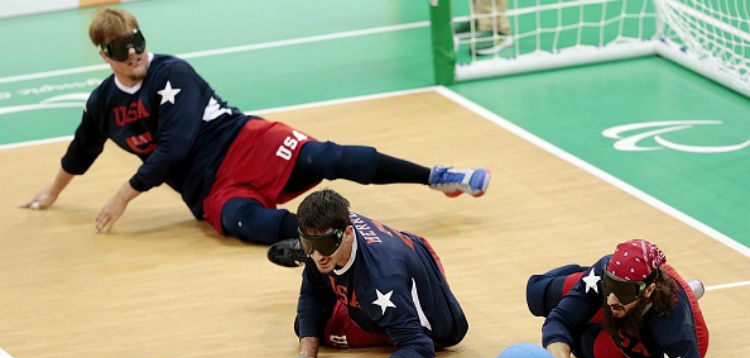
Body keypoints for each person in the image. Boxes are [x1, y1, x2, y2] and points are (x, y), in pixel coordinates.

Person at [20, 8, 491, 249]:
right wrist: (54, 192)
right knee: (245, 225)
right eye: (122, 49)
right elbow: (82, 150)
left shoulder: (172, 73)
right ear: (104, 55)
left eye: (138, 42)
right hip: (206, 187)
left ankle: (439, 177)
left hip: (242, 142)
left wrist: (124, 193)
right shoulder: (104, 103)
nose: (135, 53)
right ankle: (345, 244)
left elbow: (176, 145)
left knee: (325, 158)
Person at [278, 189, 468, 358]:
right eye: (308, 244)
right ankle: (332, 264)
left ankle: (348, 284)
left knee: (326, 330)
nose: (317, 256)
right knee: (307, 324)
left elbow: (419, 350)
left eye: (323, 245)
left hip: (433, 322)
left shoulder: (383, 280)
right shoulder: (329, 240)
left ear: (349, 233)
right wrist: (307, 356)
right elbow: (311, 295)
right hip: (415, 251)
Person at [526, 239, 709, 358]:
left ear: (648, 290)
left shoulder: (672, 328)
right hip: (628, 311)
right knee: (535, 292)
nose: (611, 299)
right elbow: (560, 319)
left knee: (579, 342)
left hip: (650, 351)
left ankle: (687, 294)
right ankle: (585, 280)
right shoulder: (606, 278)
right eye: (609, 285)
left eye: (622, 290)